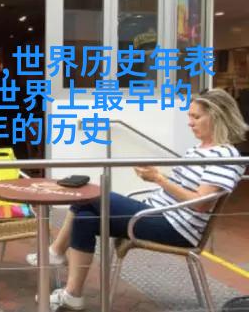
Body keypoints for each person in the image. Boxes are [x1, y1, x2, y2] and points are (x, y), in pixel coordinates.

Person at [28, 88, 248, 310]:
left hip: (175, 227)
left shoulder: (224, 155)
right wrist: (156, 177)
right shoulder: (198, 150)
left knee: (90, 195)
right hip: (156, 214)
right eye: (189, 116)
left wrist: (159, 179)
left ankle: (56, 252)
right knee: (84, 218)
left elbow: (200, 204)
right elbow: (183, 190)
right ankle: (72, 294)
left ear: (217, 116)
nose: (190, 123)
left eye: (196, 117)